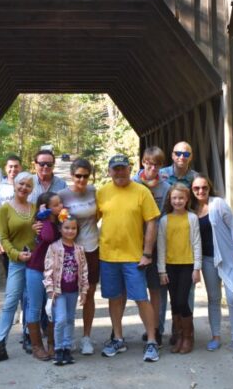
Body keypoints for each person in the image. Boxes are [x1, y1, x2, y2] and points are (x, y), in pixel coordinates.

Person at [97, 154, 162, 363]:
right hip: (108, 255)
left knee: (141, 298)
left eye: (122, 168)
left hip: (134, 257)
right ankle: (118, 338)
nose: (119, 172)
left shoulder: (141, 191)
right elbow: (91, 220)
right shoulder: (103, 192)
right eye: (115, 169)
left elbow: (152, 222)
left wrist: (147, 253)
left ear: (129, 168)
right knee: (114, 298)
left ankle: (152, 341)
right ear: (109, 171)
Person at [0, 172, 38, 365]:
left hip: (35, 261)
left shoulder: (35, 208)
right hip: (17, 261)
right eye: (21, 184)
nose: (24, 188)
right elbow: (4, 238)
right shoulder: (5, 208)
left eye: (28, 185)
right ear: (15, 184)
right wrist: (15, 255)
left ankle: (30, 336)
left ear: (32, 189)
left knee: (30, 301)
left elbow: (41, 233)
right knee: (11, 301)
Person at [192, 174, 233, 357]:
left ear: (209, 188)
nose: (201, 191)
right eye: (196, 188)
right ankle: (216, 336)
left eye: (204, 188)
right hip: (208, 260)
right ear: (192, 191)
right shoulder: (192, 210)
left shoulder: (218, 204)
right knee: (214, 298)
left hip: (228, 257)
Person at [59, 158, 99, 355]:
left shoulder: (94, 191)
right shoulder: (63, 195)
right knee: (68, 293)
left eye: (85, 176)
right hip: (70, 250)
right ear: (71, 175)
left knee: (89, 294)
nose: (81, 180)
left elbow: (99, 214)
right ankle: (66, 337)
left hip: (92, 248)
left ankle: (86, 337)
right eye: (77, 176)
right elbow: (53, 219)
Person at [132, 146, 171, 345]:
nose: (152, 168)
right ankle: (117, 332)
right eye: (149, 163)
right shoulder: (132, 183)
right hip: (133, 244)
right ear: (143, 162)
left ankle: (154, 330)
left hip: (156, 246)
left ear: (161, 166)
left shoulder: (165, 188)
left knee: (155, 289)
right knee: (135, 290)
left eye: (156, 165)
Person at [157, 183, 202, 353]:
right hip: (170, 266)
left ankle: (188, 337)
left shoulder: (192, 218)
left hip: (187, 264)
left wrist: (197, 268)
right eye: (174, 198)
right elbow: (161, 246)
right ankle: (178, 335)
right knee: (174, 302)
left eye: (181, 198)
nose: (177, 201)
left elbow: (197, 243)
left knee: (183, 300)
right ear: (170, 199)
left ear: (187, 199)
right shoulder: (164, 220)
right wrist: (161, 270)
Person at [44, 215, 89, 366]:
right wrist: (50, 289)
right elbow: (48, 269)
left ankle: (67, 349)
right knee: (61, 319)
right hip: (59, 291)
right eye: (67, 228)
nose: (70, 231)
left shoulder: (79, 249)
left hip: (73, 291)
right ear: (60, 229)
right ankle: (58, 349)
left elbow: (83, 271)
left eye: (73, 228)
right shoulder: (54, 248)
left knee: (70, 319)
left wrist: (84, 291)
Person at [25, 191, 63, 361]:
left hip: (53, 271)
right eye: (55, 205)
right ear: (46, 208)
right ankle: (36, 346)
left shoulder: (61, 220)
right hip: (36, 269)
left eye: (60, 203)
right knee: (35, 307)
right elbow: (47, 237)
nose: (60, 206)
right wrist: (44, 216)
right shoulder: (42, 222)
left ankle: (53, 344)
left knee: (52, 307)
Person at [0, 154, 22, 260]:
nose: (13, 169)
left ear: (20, 168)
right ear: (5, 168)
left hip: (24, 237)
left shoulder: (28, 186)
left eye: (16, 166)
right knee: (9, 272)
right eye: (10, 166)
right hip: (6, 239)